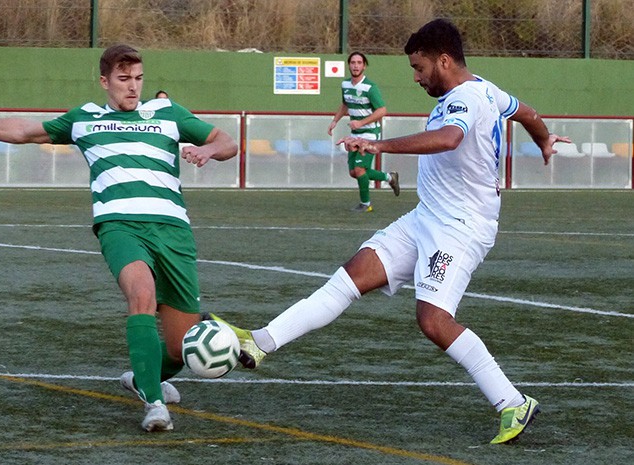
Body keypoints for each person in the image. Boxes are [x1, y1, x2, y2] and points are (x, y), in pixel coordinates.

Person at [210, 19, 570, 444]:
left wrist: (380, 145)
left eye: (420, 69)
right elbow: (526, 113)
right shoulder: (487, 90)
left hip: (460, 226)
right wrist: (544, 140)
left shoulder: (468, 97)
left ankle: (513, 402)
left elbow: (449, 139)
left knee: (433, 320)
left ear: (444, 60)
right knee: (351, 276)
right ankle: (260, 341)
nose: (416, 78)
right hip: (427, 217)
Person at [0, 44, 238, 432]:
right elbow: (26, 131)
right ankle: (155, 403)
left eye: (139, 79)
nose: (133, 87)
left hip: (174, 232)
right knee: (140, 294)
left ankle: (142, 378)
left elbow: (228, 141)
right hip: (120, 226)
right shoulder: (85, 119)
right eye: (124, 79)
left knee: (180, 349)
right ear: (104, 81)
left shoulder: (168, 114)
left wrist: (208, 150)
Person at [328, 51, 400, 212]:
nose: (355, 66)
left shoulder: (370, 87)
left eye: (359, 63)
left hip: (369, 135)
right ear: (349, 65)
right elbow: (345, 105)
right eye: (353, 62)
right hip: (355, 136)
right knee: (354, 172)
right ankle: (389, 177)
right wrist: (334, 121)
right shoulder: (345, 85)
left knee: (360, 170)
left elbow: (382, 110)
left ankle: (366, 205)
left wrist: (361, 122)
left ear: (364, 66)